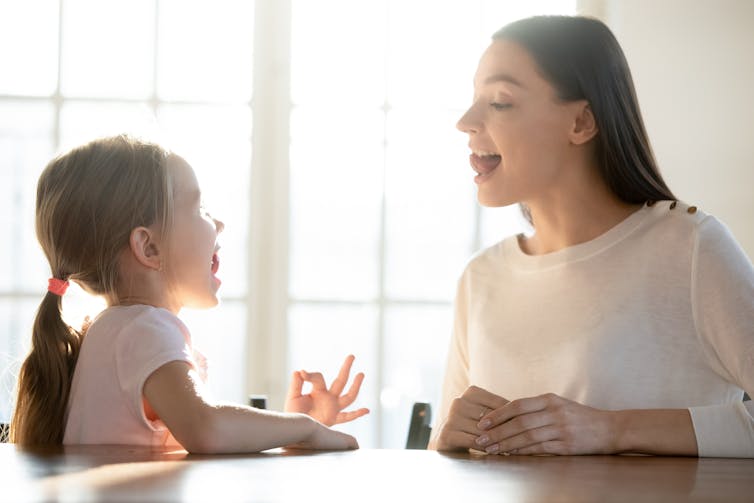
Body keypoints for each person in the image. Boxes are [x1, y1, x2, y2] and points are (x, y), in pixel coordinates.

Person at [430, 15, 754, 458]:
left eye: (500, 102)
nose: (466, 121)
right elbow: (444, 463)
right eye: (473, 100)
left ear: (581, 122)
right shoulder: (481, 277)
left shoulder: (690, 247)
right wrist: (449, 442)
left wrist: (612, 430)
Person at [11, 135, 369, 452]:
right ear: (148, 248)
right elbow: (206, 428)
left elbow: (190, 442)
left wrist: (285, 429)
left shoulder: (117, 331)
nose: (220, 224)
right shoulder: (143, 329)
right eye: (199, 209)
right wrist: (305, 430)